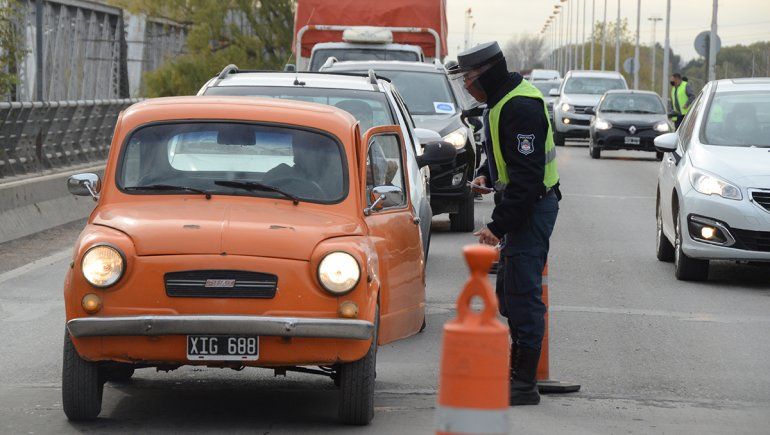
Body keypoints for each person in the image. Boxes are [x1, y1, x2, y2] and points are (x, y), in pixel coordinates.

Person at [449, 42, 560, 406]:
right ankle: (517, 372)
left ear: (488, 74)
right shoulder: (500, 102)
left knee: (523, 296)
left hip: (533, 207)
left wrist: (496, 226)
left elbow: (527, 180)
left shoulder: (520, 106)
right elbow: (503, 154)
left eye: (469, 78)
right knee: (511, 293)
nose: (466, 85)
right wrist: (485, 173)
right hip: (524, 206)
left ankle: (524, 384)